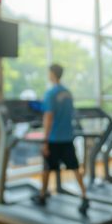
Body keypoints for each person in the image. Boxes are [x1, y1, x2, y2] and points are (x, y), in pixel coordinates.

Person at [33, 63, 88, 214]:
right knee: (75, 168)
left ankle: (43, 195)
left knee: (47, 168)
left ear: (52, 74)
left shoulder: (50, 94)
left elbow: (48, 118)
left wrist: (45, 141)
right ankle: (84, 195)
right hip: (67, 136)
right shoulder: (68, 93)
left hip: (54, 138)